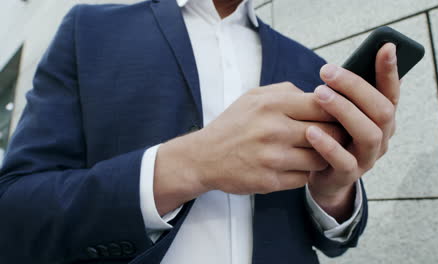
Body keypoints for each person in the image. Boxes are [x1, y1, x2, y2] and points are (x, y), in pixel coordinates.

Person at [0, 0, 400, 263]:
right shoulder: (88, 29)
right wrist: (188, 165)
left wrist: (332, 192)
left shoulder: (310, 64)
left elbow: (339, 240)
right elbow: (15, 209)